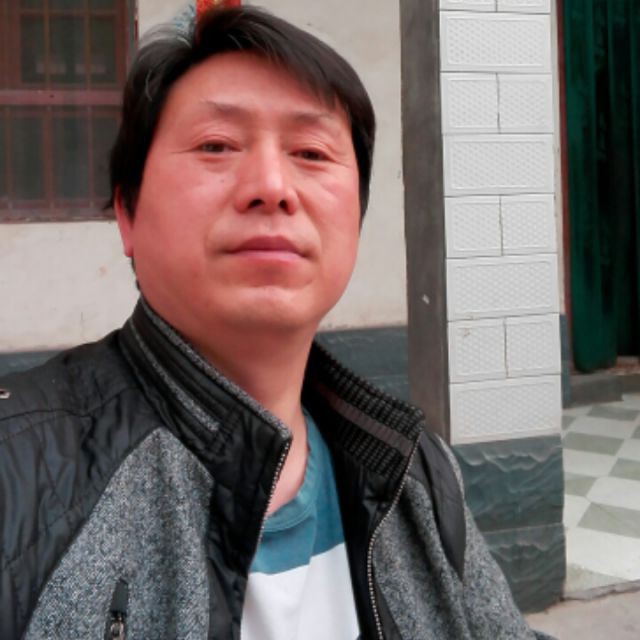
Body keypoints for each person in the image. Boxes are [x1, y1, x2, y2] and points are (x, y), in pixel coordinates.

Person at [0, 6, 553, 639]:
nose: (271, 186)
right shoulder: (20, 478)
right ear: (127, 212)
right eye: (216, 145)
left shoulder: (414, 470)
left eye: (312, 152)